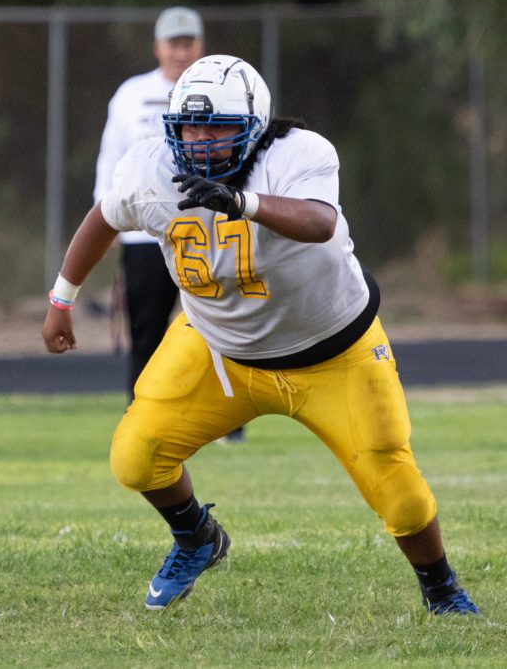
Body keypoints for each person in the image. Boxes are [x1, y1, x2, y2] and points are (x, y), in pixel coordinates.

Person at [43, 54, 480, 615]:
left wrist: (242, 203)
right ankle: (196, 537)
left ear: (253, 127)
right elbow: (104, 217)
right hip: (219, 347)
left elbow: (319, 222)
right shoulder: (149, 169)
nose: (200, 141)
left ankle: (441, 590)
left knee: (402, 496)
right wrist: (62, 298)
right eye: (189, 128)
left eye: (217, 128)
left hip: (333, 353)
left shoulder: (298, 154)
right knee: (136, 456)